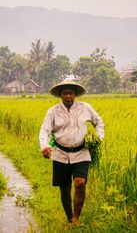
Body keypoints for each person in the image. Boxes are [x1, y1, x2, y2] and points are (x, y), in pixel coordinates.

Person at [39, 80, 104, 225]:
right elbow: (45, 130)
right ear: (60, 95)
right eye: (65, 93)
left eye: (71, 93)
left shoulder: (86, 108)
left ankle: (76, 218)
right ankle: (69, 218)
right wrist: (44, 146)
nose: (68, 96)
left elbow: (99, 122)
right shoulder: (53, 111)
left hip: (82, 152)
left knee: (80, 183)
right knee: (64, 188)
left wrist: (98, 137)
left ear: (75, 94)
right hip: (60, 153)